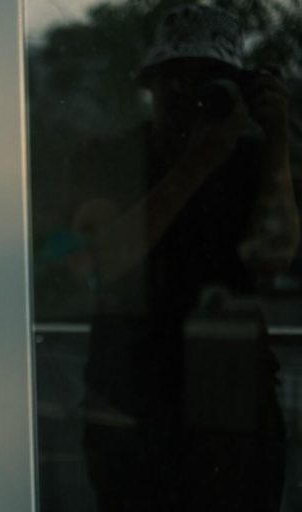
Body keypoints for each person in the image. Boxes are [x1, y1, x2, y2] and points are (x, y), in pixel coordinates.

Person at [64, 5, 298, 511]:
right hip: (132, 393)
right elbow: (106, 259)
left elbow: (274, 257)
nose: (190, 96)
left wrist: (277, 138)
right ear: (151, 85)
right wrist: (200, 162)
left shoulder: (250, 159)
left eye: (210, 83)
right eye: (175, 79)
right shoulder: (113, 159)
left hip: (229, 394)